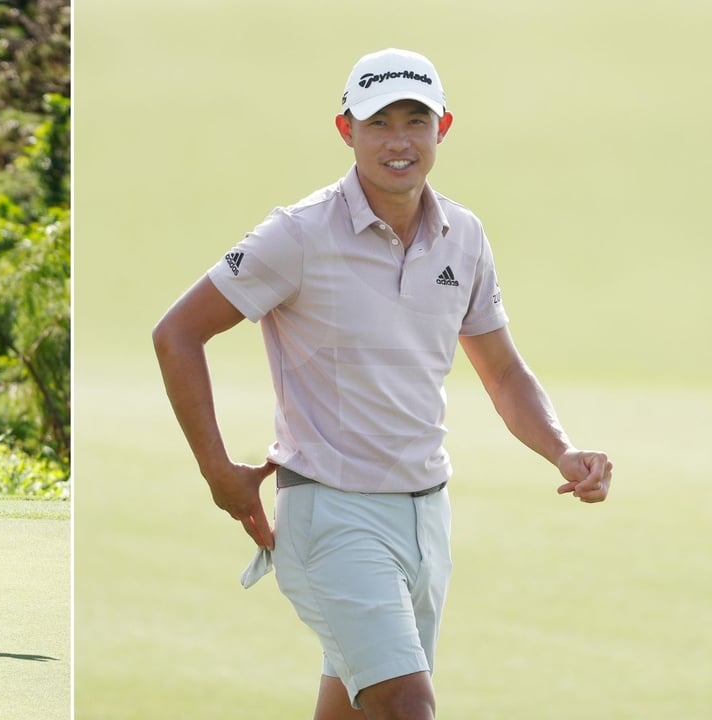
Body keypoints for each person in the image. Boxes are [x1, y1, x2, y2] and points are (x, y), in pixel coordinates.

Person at [152, 48, 612, 719]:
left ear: (442, 127)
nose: (398, 141)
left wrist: (563, 451)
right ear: (347, 130)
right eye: (378, 123)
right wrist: (216, 469)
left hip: (427, 516)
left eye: (415, 120)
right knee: (407, 707)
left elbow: (504, 372)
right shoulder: (298, 234)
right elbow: (177, 333)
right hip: (331, 517)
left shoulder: (465, 237)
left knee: (356, 708)